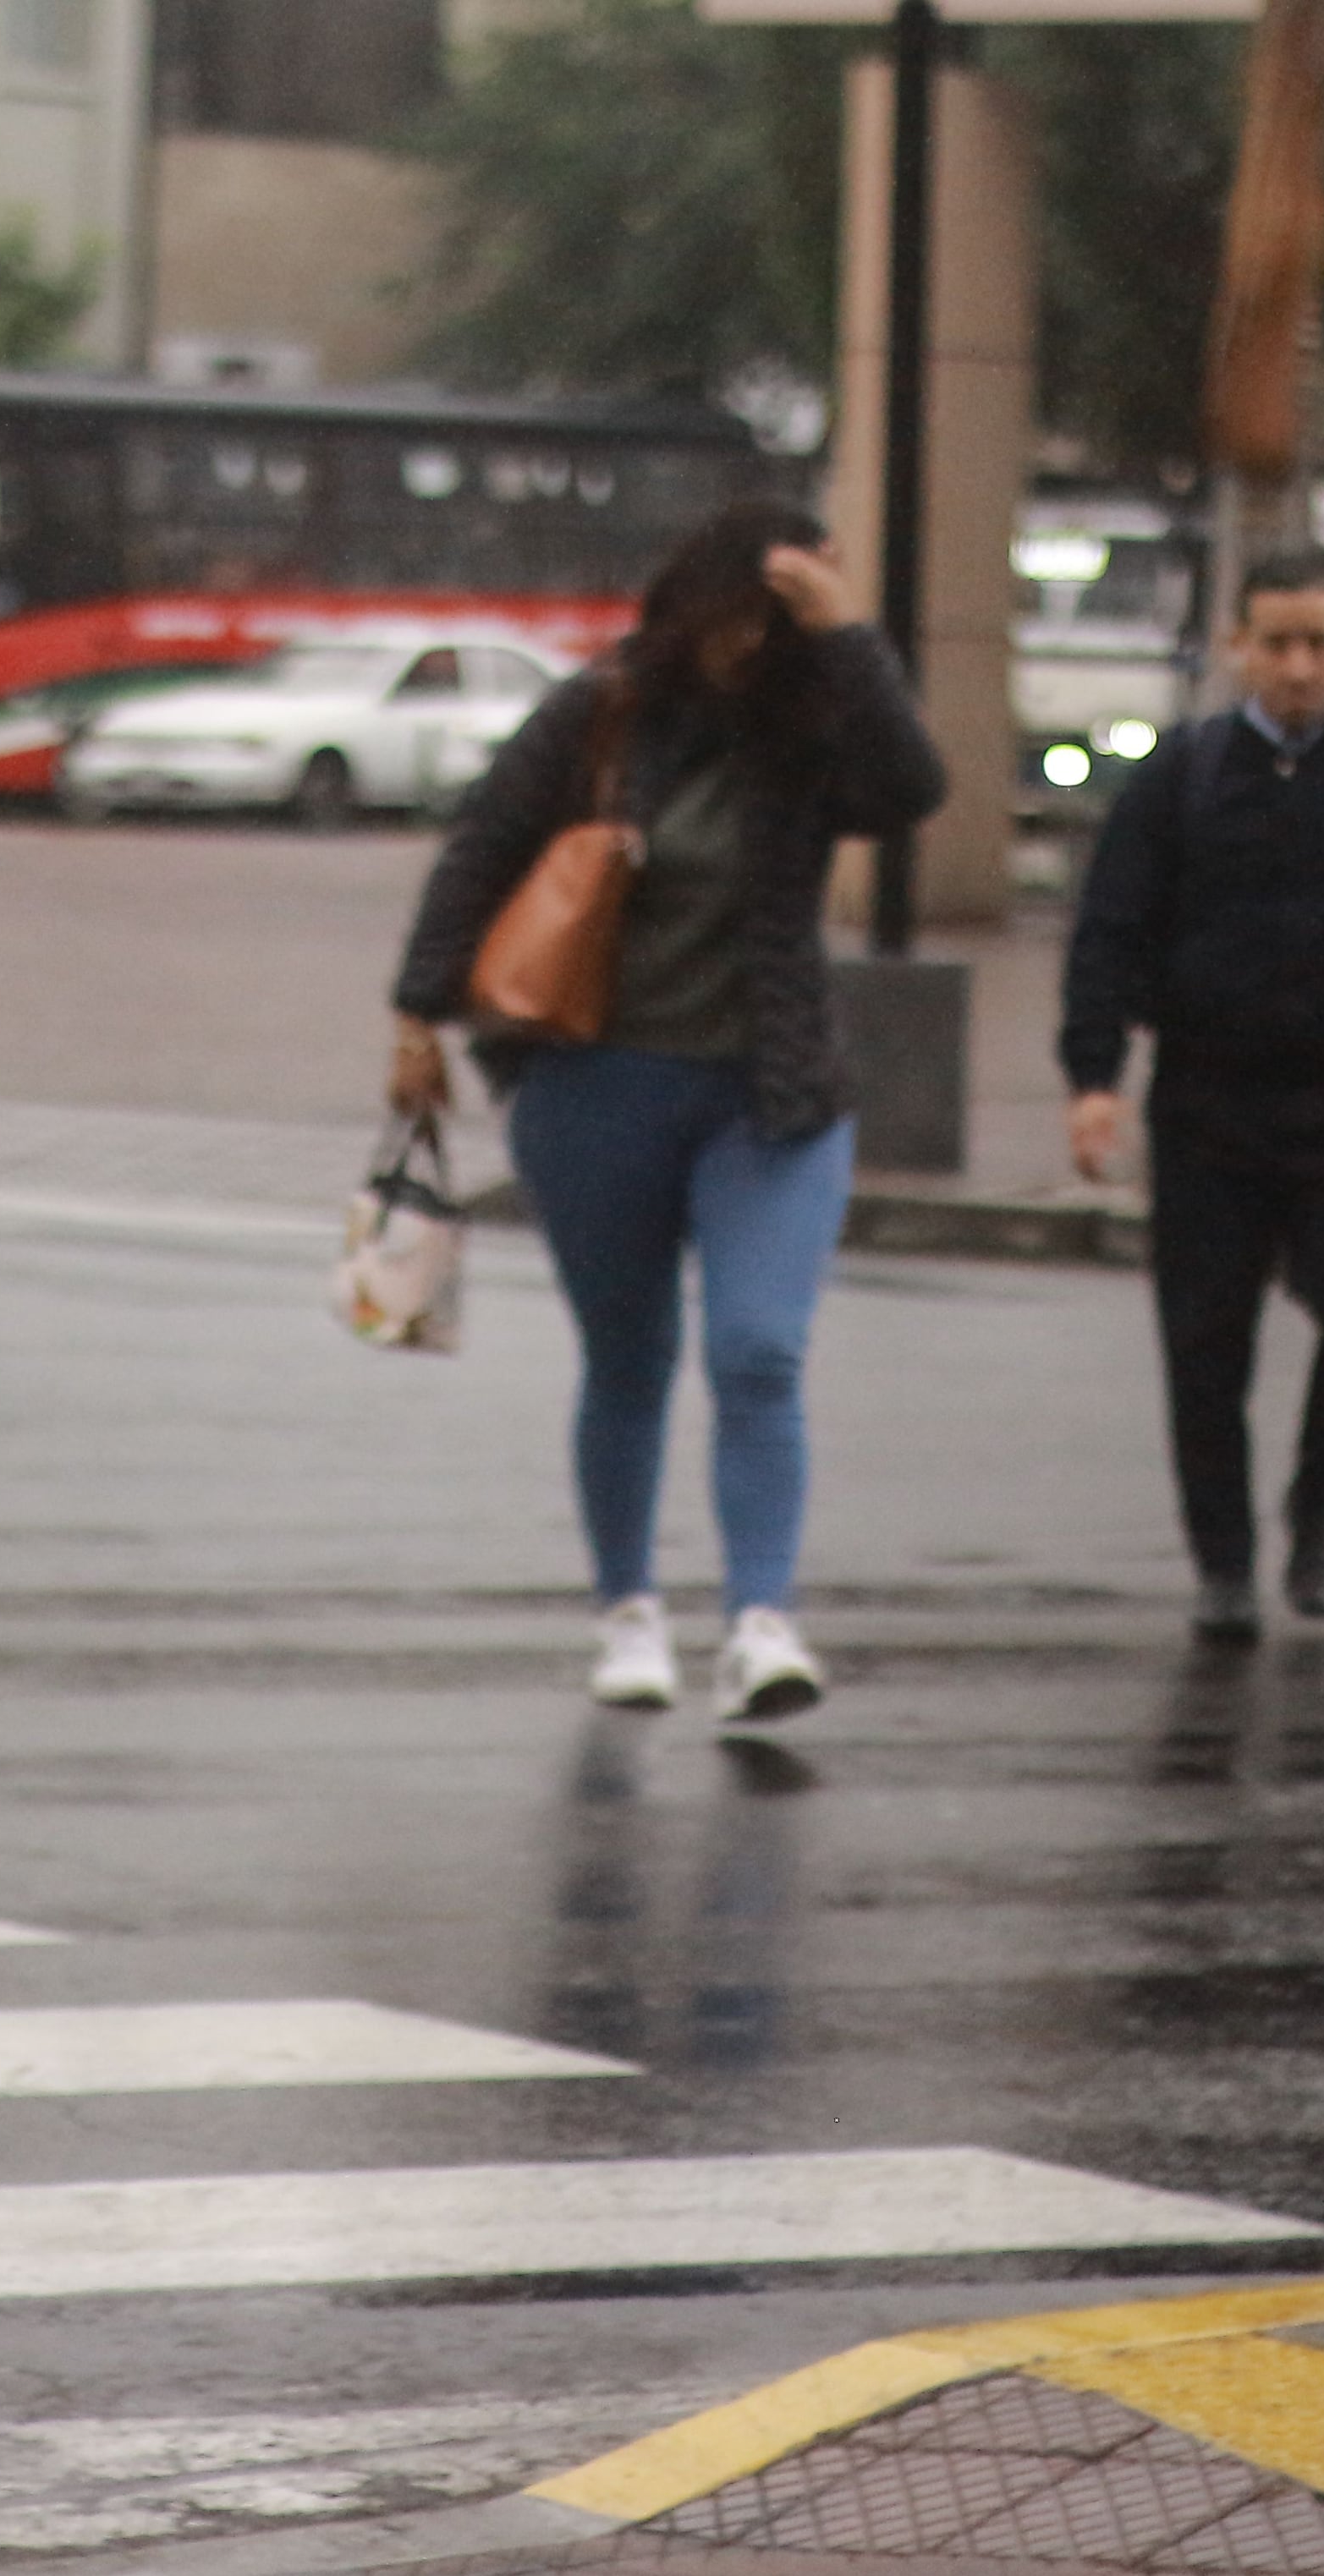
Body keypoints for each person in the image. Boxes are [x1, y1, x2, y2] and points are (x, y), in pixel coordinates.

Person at [387, 501, 948, 1723]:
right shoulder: (603, 710)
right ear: (693, 603)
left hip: (773, 1092)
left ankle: (759, 1620)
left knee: (758, 1350)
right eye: (738, 616)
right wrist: (418, 1015)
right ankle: (628, 1612)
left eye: (775, 622)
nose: (749, 645)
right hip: (598, 1084)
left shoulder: (814, 722)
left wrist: (849, 639)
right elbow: (480, 850)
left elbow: (912, 789)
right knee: (629, 1358)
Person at [1059, 548, 1324, 1646]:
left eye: (1319, 643)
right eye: (1276, 643)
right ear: (1238, 646)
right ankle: (1225, 1564)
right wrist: (1093, 1076)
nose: (1298, 667)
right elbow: (1110, 929)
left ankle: (1316, 1496)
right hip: (1209, 1105)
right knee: (1205, 1345)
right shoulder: (1181, 778)